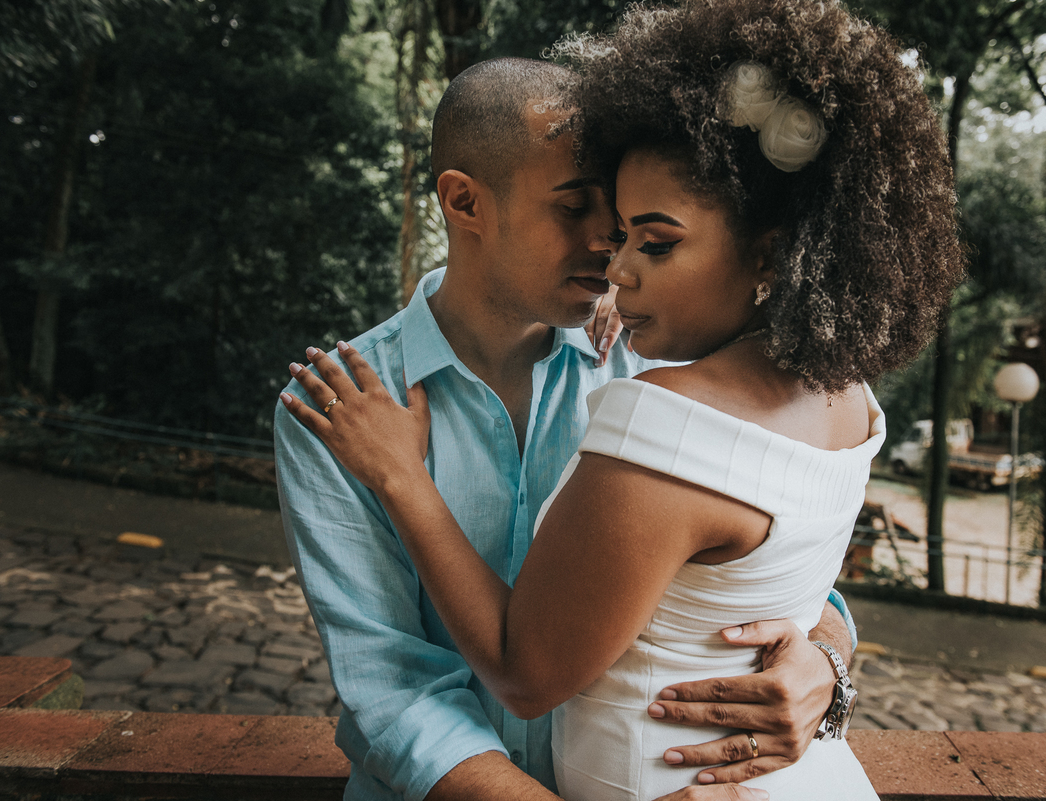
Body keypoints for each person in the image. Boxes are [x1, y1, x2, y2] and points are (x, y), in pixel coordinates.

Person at [282, 0, 964, 798]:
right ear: (465, 203)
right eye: (576, 208)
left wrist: (827, 667)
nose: (610, 245)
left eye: (632, 222)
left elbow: (781, 583)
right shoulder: (344, 409)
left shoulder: (649, 356)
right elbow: (395, 693)